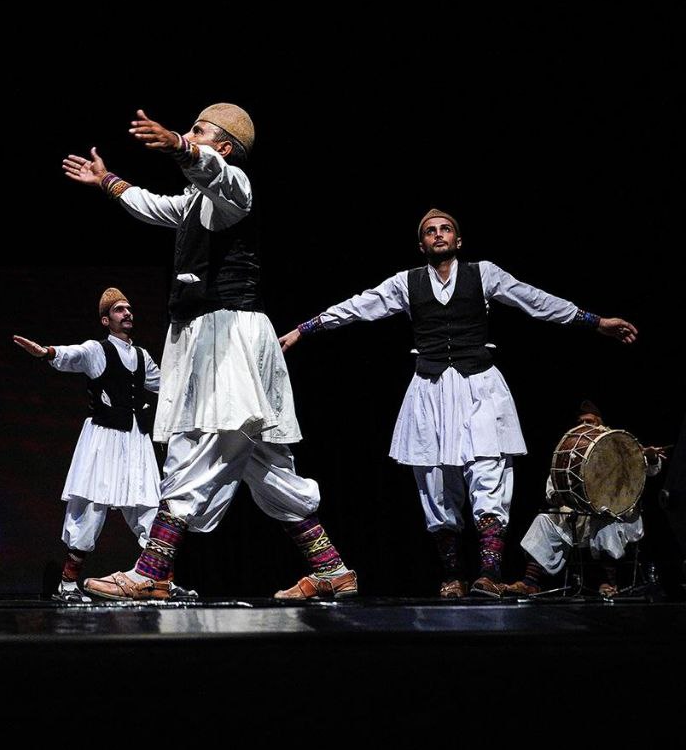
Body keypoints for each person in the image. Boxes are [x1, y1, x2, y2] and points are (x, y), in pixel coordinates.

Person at [64, 105, 356, 601]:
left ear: (223, 145)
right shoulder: (195, 204)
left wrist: (180, 144)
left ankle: (151, 572)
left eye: (201, 131)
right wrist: (107, 179)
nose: (192, 135)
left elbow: (215, 171)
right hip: (213, 336)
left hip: (229, 338)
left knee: (196, 448)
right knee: (265, 462)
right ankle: (331, 569)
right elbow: (150, 204)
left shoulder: (233, 188)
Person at [280, 209, 638, 597]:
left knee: (488, 476)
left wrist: (595, 321)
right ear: (421, 245)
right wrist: (305, 329)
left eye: (445, 229)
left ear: (458, 240)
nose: (438, 235)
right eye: (430, 232)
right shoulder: (407, 283)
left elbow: (534, 299)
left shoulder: (484, 274)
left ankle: (488, 574)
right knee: (436, 485)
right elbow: (358, 306)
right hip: (429, 390)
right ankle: (452, 576)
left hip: (480, 388)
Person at [13, 287, 161, 602]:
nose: (128, 313)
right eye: (120, 310)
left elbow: (167, 385)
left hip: (135, 440)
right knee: (92, 509)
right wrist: (47, 352)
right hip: (104, 439)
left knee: (148, 507)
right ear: (106, 320)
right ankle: (67, 585)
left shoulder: (142, 356)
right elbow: (73, 355)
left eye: (129, 308)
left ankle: (160, 579)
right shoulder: (97, 349)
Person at [503, 400, 666, 598]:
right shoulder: (573, 450)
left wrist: (650, 457)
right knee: (544, 521)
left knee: (604, 523)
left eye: (590, 421)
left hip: (616, 516)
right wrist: (556, 497)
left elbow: (649, 471)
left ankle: (608, 582)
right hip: (576, 518)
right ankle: (530, 582)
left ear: (600, 422)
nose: (585, 425)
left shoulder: (618, 444)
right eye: (581, 421)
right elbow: (553, 485)